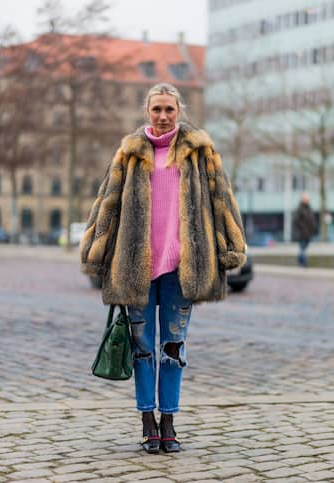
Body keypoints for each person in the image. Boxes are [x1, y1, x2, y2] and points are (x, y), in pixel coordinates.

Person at [80, 83, 246, 454]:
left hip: (181, 268)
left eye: (169, 109)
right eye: (156, 109)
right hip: (135, 268)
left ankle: (169, 422)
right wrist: (95, 249)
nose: (163, 115)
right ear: (147, 111)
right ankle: (147, 423)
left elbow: (223, 200)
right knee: (142, 350)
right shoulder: (129, 154)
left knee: (173, 348)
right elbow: (106, 205)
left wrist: (233, 245)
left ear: (179, 110)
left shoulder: (200, 153)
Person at [293, 192, 317, 267]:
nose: (307, 200)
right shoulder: (299, 209)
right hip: (302, 233)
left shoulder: (309, 209)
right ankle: (304, 263)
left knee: (304, 248)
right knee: (302, 248)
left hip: (309, 233)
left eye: (308, 199)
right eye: (306, 199)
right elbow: (296, 221)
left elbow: (312, 220)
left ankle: (300, 261)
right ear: (302, 199)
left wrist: (313, 229)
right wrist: (302, 229)